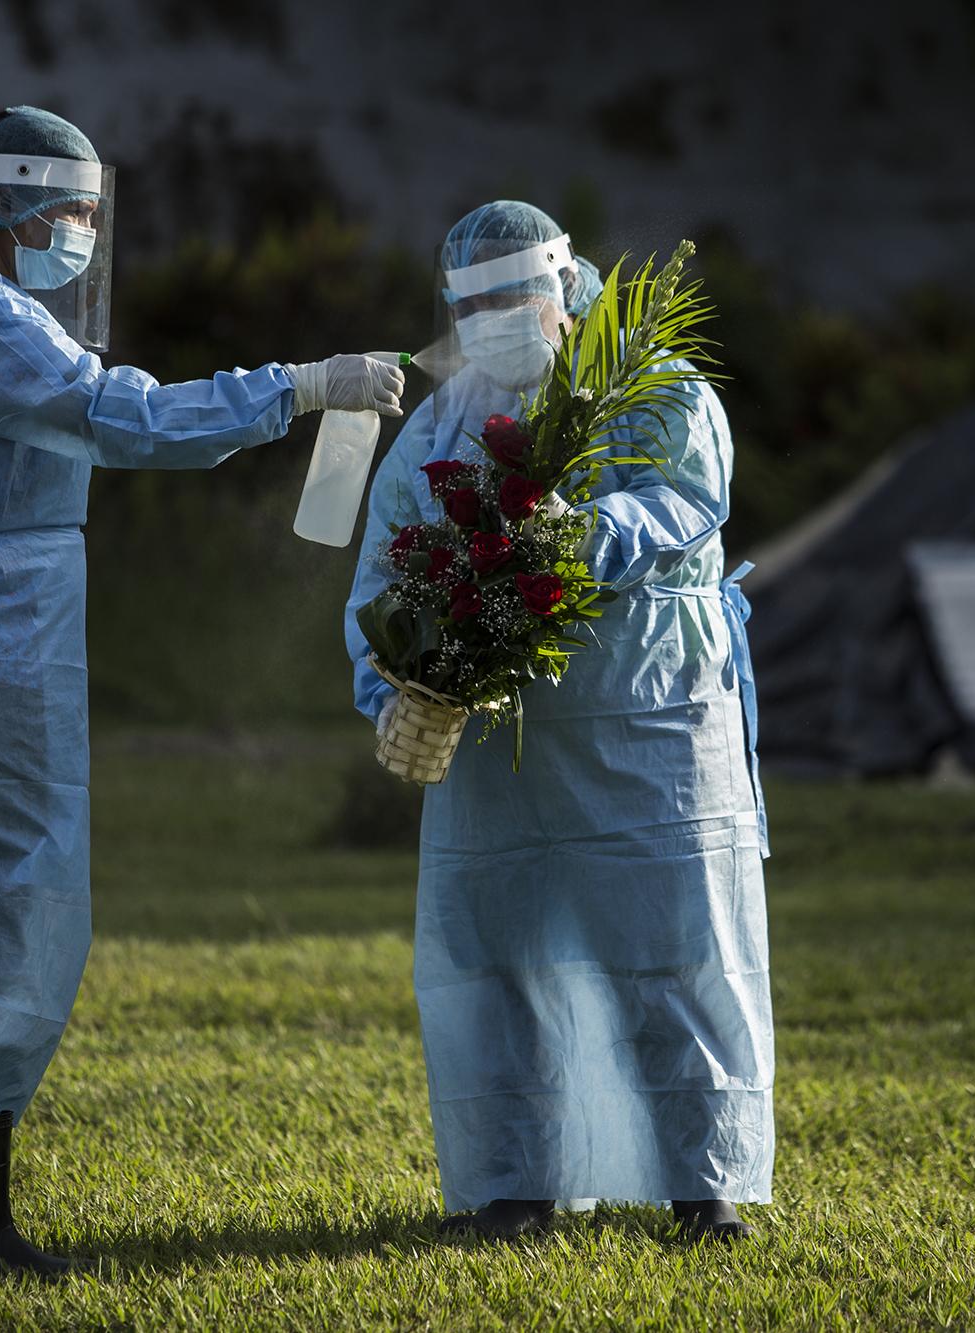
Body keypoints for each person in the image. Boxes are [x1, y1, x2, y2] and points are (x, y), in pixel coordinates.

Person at [0, 106, 403, 1277]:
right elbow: (125, 417)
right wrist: (300, 387)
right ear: (18, 206)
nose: (87, 236)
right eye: (77, 213)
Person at [343, 201, 773, 1242]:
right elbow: (383, 573)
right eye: (473, 304)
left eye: (512, 298)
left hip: (646, 731)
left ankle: (704, 1189)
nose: (494, 319)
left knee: (671, 954)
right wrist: (396, 683)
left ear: (561, 289)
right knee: (501, 964)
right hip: (505, 754)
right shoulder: (442, 427)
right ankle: (513, 1189)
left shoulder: (649, 389)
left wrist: (585, 532)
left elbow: (682, 500)